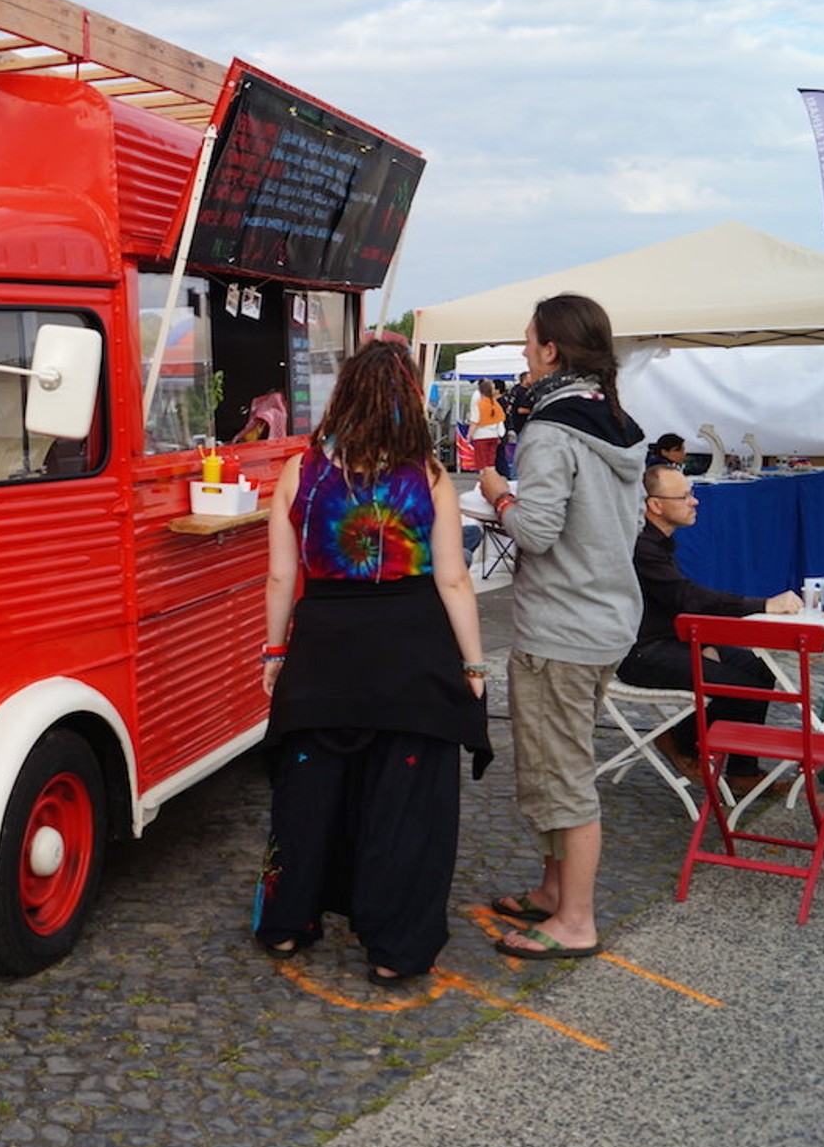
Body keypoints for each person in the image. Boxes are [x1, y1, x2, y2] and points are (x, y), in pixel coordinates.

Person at [253, 340, 490, 987]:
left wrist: (275, 652)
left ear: (343, 396)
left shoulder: (301, 473)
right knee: (404, 807)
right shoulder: (430, 478)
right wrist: (474, 667)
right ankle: (394, 947)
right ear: (410, 400)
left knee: (307, 797)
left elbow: (280, 577)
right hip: (413, 658)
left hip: (323, 652)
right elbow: (453, 580)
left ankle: (286, 924)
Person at [477, 293, 644, 962]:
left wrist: (498, 494)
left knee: (565, 775)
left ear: (551, 350)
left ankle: (575, 919)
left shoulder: (550, 429)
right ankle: (553, 892)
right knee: (554, 767)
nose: (522, 354)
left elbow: (538, 531)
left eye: (527, 344)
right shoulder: (617, 423)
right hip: (604, 618)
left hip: (562, 630)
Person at [617, 465, 801, 794]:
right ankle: (679, 740)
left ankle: (743, 771)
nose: (694, 501)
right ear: (655, 505)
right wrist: (762, 605)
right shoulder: (641, 546)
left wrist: (701, 641)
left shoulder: (657, 542)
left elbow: (680, 602)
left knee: (759, 671)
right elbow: (688, 598)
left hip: (672, 640)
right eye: (684, 496)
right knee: (742, 690)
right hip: (642, 653)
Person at [496, 372, 531, 478]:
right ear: (524, 379)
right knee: (522, 452)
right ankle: (515, 476)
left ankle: (516, 475)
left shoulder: (516, 390)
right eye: (529, 376)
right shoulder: (521, 392)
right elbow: (520, 409)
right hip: (520, 426)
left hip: (517, 426)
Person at [469, 378, 504, 471]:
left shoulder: (479, 405)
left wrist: (469, 436)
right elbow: (500, 421)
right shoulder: (496, 405)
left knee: (481, 462)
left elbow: (474, 422)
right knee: (491, 462)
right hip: (494, 436)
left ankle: (484, 481)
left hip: (480, 436)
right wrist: (500, 435)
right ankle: (492, 479)